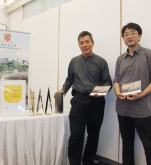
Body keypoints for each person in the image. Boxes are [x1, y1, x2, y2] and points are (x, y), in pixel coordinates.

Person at [55, 31, 112, 165]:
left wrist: (102, 92)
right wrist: (63, 90)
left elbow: (107, 82)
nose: (85, 45)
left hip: (96, 101)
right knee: (76, 135)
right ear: (79, 45)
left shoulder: (101, 62)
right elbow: (69, 79)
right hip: (79, 100)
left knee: (93, 134)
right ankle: (74, 162)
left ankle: (88, 161)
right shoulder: (74, 61)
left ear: (92, 43)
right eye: (81, 43)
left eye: (87, 42)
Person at [113, 22, 151, 165]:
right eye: (126, 34)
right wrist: (118, 93)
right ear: (123, 38)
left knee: (150, 146)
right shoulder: (120, 59)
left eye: (133, 33)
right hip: (123, 109)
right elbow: (116, 80)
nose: (129, 36)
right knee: (127, 144)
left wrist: (140, 95)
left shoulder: (150, 54)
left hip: (143, 109)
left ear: (139, 36)